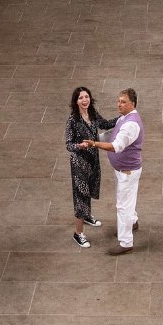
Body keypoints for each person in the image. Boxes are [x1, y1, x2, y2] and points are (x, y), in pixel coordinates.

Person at [78, 88, 143, 255]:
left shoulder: (131, 125)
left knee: (123, 206)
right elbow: (112, 134)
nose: (119, 104)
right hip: (122, 170)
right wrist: (95, 138)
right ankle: (133, 221)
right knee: (127, 200)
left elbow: (116, 146)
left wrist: (94, 144)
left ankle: (126, 242)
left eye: (123, 102)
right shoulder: (124, 118)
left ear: (132, 104)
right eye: (118, 101)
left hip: (127, 172)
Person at [65, 86, 118, 248]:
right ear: (76, 101)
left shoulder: (93, 113)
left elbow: (105, 123)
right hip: (80, 163)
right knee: (81, 196)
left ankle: (86, 216)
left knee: (89, 188)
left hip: (93, 160)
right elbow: (68, 144)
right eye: (81, 98)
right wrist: (79, 146)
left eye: (86, 96)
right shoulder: (72, 120)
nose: (84, 100)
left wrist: (123, 117)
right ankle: (78, 233)